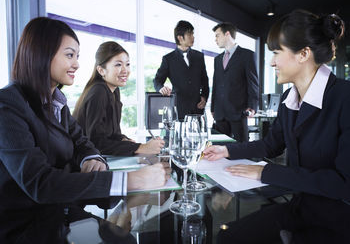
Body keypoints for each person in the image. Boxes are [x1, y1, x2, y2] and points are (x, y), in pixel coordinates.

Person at [0, 17, 171, 243]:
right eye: (70, 55)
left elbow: (83, 140)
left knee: (127, 238)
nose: (77, 64)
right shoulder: (8, 105)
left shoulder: (56, 101)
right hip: (26, 227)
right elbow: (40, 184)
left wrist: (90, 157)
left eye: (77, 56)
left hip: (58, 211)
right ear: (40, 53)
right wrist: (130, 180)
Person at [204, 10, 349, 243]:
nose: (271, 62)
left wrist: (266, 172)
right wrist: (228, 151)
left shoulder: (344, 98)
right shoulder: (288, 99)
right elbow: (271, 145)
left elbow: (344, 183)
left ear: (303, 54)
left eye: (276, 52)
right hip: (300, 210)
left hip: (336, 222)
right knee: (226, 237)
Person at [73, 41, 164, 156]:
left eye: (127, 64)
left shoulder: (114, 90)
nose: (125, 70)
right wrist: (141, 147)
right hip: (83, 162)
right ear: (101, 70)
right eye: (118, 65)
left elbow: (112, 133)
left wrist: (123, 140)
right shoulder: (98, 91)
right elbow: (96, 142)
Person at [211, 22, 259, 142]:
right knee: (219, 149)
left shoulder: (247, 55)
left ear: (227, 34)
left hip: (238, 111)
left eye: (217, 35)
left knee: (242, 150)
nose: (215, 39)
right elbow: (216, 84)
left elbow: (253, 83)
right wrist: (213, 107)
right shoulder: (217, 59)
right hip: (220, 113)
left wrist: (252, 106)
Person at [153, 20, 209, 120]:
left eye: (193, 33)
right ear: (180, 37)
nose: (193, 37)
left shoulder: (199, 56)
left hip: (198, 109)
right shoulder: (168, 59)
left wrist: (204, 97)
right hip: (179, 110)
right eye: (189, 34)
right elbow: (157, 80)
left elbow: (205, 80)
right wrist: (161, 88)